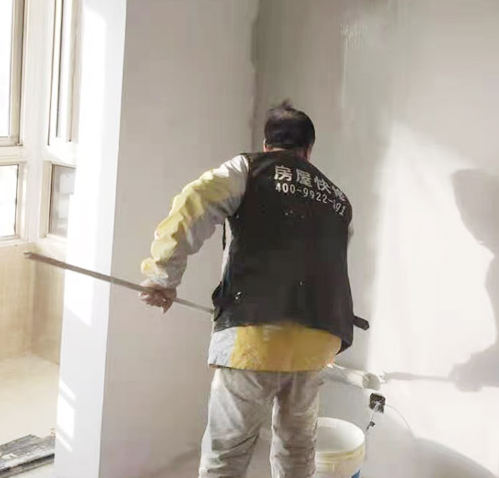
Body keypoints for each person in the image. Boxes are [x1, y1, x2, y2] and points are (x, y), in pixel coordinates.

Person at [139, 101, 356, 478]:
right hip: (319, 341)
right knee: (297, 449)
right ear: (308, 150)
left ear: (267, 144)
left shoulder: (249, 169)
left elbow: (194, 203)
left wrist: (163, 277)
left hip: (255, 335)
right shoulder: (338, 199)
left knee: (227, 454)